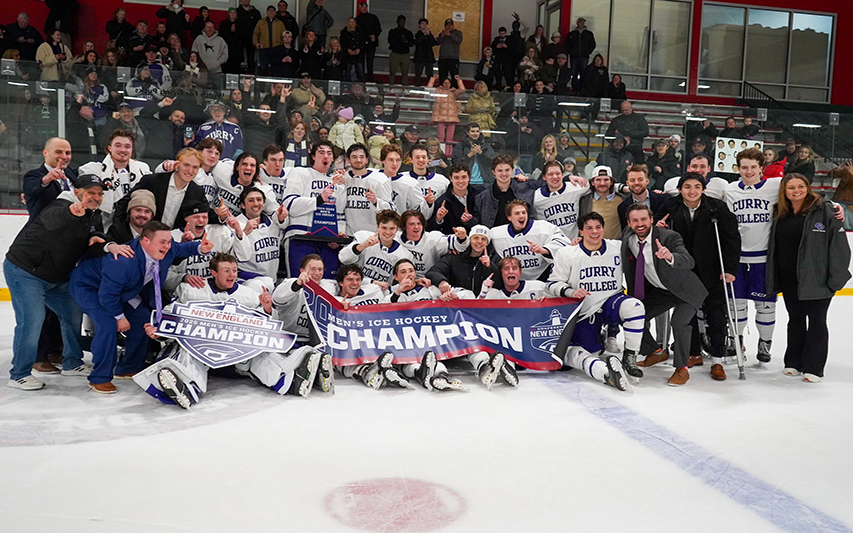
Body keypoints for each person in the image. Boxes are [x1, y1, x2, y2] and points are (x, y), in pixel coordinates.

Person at [138, 252, 322, 408]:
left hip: (237, 357)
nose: (232, 275)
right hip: (203, 350)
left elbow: (267, 330)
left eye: (234, 270)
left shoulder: (249, 295)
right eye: (226, 271)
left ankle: (289, 379)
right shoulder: (191, 290)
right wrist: (160, 330)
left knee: (261, 353)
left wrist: (266, 310)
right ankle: (184, 385)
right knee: (186, 351)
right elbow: (172, 316)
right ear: (213, 272)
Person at [4, 175, 120, 390]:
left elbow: (93, 238)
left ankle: (72, 362)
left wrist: (104, 244)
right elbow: (51, 219)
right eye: (90, 192)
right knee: (32, 321)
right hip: (26, 271)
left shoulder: (92, 216)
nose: (96, 197)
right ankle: (19, 373)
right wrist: (70, 212)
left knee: (73, 314)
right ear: (77, 192)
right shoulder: (61, 205)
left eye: (99, 193)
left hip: (56, 278)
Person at [70, 221, 214, 393]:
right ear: (145, 241)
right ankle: (99, 378)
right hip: (90, 287)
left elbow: (182, 249)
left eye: (169, 241)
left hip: (123, 289)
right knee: (107, 323)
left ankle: (128, 367)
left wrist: (200, 248)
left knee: (144, 317)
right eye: (162, 242)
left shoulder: (167, 249)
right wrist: (120, 317)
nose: (167, 246)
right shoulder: (123, 263)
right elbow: (107, 296)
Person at [654, 173, 741, 381]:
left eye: (696, 187)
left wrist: (730, 268)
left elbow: (731, 238)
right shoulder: (670, 206)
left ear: (703, 188)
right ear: (680, 189)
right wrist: (659, 227)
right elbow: (655, 227)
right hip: (684, 270)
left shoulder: (716, 208)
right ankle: (693, 354)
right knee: (687, 314)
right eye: (687, 187)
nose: (691, 191)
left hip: (711, 269)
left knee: (716, 314)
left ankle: (717, 359)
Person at [766, 174, 851, 382]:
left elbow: (840, 249)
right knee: (795, 319)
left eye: (800, 186)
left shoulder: (826, 210)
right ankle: (793, 362)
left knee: (817, 321)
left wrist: (835, 279)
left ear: (808, 187)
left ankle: (813, 367)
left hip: (817, 277)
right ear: (784, 191)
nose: (796, 191)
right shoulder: (780, 213)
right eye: (791, 187)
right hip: (789, 277)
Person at [546, 212, 641, 391]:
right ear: (581, 232)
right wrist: (571, 291)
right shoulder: (567, 254)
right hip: (584, 311)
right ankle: (605, 371)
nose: (594, 232)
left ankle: (630, 358)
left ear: (603, 229)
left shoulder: (618, 248)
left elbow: (642, 242)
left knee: (635, 307)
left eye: (598, 227)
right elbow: (551, 284)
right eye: (589, 228)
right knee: (587, 352)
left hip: (610, 302)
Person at [622, 204, 708, 386]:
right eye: (635, 220)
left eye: (644, 219)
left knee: (678, 322)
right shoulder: (628, 237)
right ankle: (656, 352)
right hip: (663, 290)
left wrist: (670, 257)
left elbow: (688, 260)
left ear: (651, 220)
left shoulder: (668, 237)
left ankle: (681, 368)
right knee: (634, 314)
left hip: (687, 291)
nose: (640, 224)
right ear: (629, 223)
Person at [281, 141, 348, 276]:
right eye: (321, 152)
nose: (326, 156)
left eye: (329, 153)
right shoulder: (300, 172)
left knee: (327, 285)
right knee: (299, 282)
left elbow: (340, 214)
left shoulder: (336, 182)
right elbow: (289, 205)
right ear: (313, 156)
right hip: (300, 236)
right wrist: (318, 200)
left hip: (328, 241)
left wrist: (338, 233)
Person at [114, 148, 211, 230]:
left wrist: (223, 216)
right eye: (186, 165)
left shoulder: (198, 192)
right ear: (177, 164)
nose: (190, 171)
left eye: (195, 167)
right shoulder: (152, 181)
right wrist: (118, 229)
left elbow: (208, 214)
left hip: (173, 243)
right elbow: (124, 203)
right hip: (144, 236)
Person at [78, 130, 152, 230]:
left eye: (127, 146)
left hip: (135, 224)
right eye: (118, 145)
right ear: (109, 148)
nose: (123, 150)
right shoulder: (93, 169)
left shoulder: (142, 169)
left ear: (132, 150)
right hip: (104, 225)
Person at [489, 199, 568, 281]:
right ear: (509, 217)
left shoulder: (543, 228)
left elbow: (564, 243)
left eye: (523, 212)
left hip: (543, 277)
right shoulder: (496, 234)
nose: (521, 216)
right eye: (517, 213)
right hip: (513, 281)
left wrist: (545, 250)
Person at [426, 224, 499, 297]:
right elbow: (433, 272)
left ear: (487, 243)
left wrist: (489, 267)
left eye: (483, 239)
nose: (479, 241)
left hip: (483, 303)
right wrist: (441, 281)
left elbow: (500, 284)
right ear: (470, 240)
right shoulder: (455, 256)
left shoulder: (494, 258)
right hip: (458, 302)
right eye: (476, 238)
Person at [475, 154, 540, 228]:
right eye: (500, 170)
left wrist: (527, 180)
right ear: (493, 172)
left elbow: (547, 185)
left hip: (523, 237)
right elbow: (477, 223)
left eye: (507, 170)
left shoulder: (525, 186)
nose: (504, 174)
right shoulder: (482, 197)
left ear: (512, 170)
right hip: (495, 237)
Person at [342, 143, 394, 234]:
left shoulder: (380, 180)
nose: (358, 160)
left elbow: (391, 209)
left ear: (366, 160)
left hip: (372, 235)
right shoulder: (343, 179)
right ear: (348, 160)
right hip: (348, 235)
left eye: (362, 157)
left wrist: (376, 201)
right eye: (354, 157)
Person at [22, 137, 78, 223]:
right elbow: (30, 188)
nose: (64, 157)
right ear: (45, 152)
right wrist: (46, 179)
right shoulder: (34, 175)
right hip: (43, 233)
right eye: (58, 152)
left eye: (68, 153)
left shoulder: (72, 174)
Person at [533, 160, 590, 238]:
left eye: (558, 173)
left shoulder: (576, 188)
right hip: (550, 245)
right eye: (550, 174)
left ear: (563, 175)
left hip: (573, 244)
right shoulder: (536, 197)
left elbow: (598, 185)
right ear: (544, 177)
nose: (555, 177)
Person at [429, 163, 482, 234]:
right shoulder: (442, 202)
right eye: (456, 177)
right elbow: (432, 230)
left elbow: (485, 221)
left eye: (464, 177)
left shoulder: (480, 195)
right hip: (452, 241)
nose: (460, 181)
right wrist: (438, 219)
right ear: (451, 178)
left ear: (469, 178)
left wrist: (471, 221)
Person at [617, 165, 665, 230]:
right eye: (632, 180)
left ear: (647, 181)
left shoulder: (663, 200)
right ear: (627, 183)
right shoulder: (622, 208)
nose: (636, 183)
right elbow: (626, 233)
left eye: (640, 179)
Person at [428, 74, 466, 157]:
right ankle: (441, 153)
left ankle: (448, 154)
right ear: (442, 83)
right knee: (440, 137)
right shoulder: (438, 91)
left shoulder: (453, 92)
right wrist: (433, 79)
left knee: (449, 138)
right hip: (440, 116)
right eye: (445, 83)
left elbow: (462, 89)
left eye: (448, 83)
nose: (446, 85)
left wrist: (459, 80)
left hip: (451, 116)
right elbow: (429, 89)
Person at [253, 5, 285, 74]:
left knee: (275, 68)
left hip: (276, 49)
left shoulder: (280, 23)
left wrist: (283, 44)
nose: (271, 12)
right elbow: (255, 34)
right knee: (263, 68)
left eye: (273, 11)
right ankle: (262, 83)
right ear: (266, 12)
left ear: (275, 13)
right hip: (264, 48)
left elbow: (284, 35)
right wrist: (256, 43)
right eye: (269, 10)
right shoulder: (260, 22)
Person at [566, 17, 595, 93]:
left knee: (583, 73)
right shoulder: (572, 34)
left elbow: (592, 44)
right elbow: (567, 45)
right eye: (580, 22)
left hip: (584, 57)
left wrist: (587, 52)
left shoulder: (589, 34)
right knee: (574, 73)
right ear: (577, 23)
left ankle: (582, 89)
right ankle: (575, 89)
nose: (582, 23)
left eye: (583, 22)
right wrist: (571, 52)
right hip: (574, 57)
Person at [354, 1, 381, 82]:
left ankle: (370, 77)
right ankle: (361, 77)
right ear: (359, 8)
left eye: (366, 7)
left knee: (370, 61)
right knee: (360, 61)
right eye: (363, 7)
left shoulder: (373, 18)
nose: (364, 8)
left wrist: (374, 35)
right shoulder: (357, 20)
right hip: (361, 43)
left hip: (371, 43)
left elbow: (378, 28)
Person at [387, 15, 414, 85]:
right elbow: (390, 41)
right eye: (400, 22)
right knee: (392, 72)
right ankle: (391, 87)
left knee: (405, 73)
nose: (402, 24)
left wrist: (405, 41)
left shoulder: (408, 33)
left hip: (405, 54)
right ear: (397, 22)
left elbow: (411, 43)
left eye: (403, 22)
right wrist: (399, 40)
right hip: (395, 53)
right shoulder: (393, 32)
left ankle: (404, 88)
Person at [236, 0, 262, 71]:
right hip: (239, 39)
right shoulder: (237, 11)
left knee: (251, 57)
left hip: (251, 38)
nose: (245, 0)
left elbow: (259, 26)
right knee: (238, 56)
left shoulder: (256, 12)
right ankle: (238, 72)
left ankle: (251, 73)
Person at [413, 18, 438, 86]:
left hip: (428, 57)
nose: (424, 26)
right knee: (418, 74)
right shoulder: (418, 34)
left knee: (430, 74)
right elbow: (416, 42)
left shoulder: (429, 34)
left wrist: (429, 35)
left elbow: (434, 43)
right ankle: (417, 88)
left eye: (425, 24)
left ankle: (429, 88)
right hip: (419, 57)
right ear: (419, 25)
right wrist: (424, 35)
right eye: (422, 24)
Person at [219, 8, 243, 74]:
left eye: (234, 13)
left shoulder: (240, 24)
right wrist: (230, 31)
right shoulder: (223, 23)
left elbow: (243, 36)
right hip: (227, 49)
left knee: (236, 69)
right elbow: (221, 35)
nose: (233, 14)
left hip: (237, 51)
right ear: (228, 14)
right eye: (231, 12)